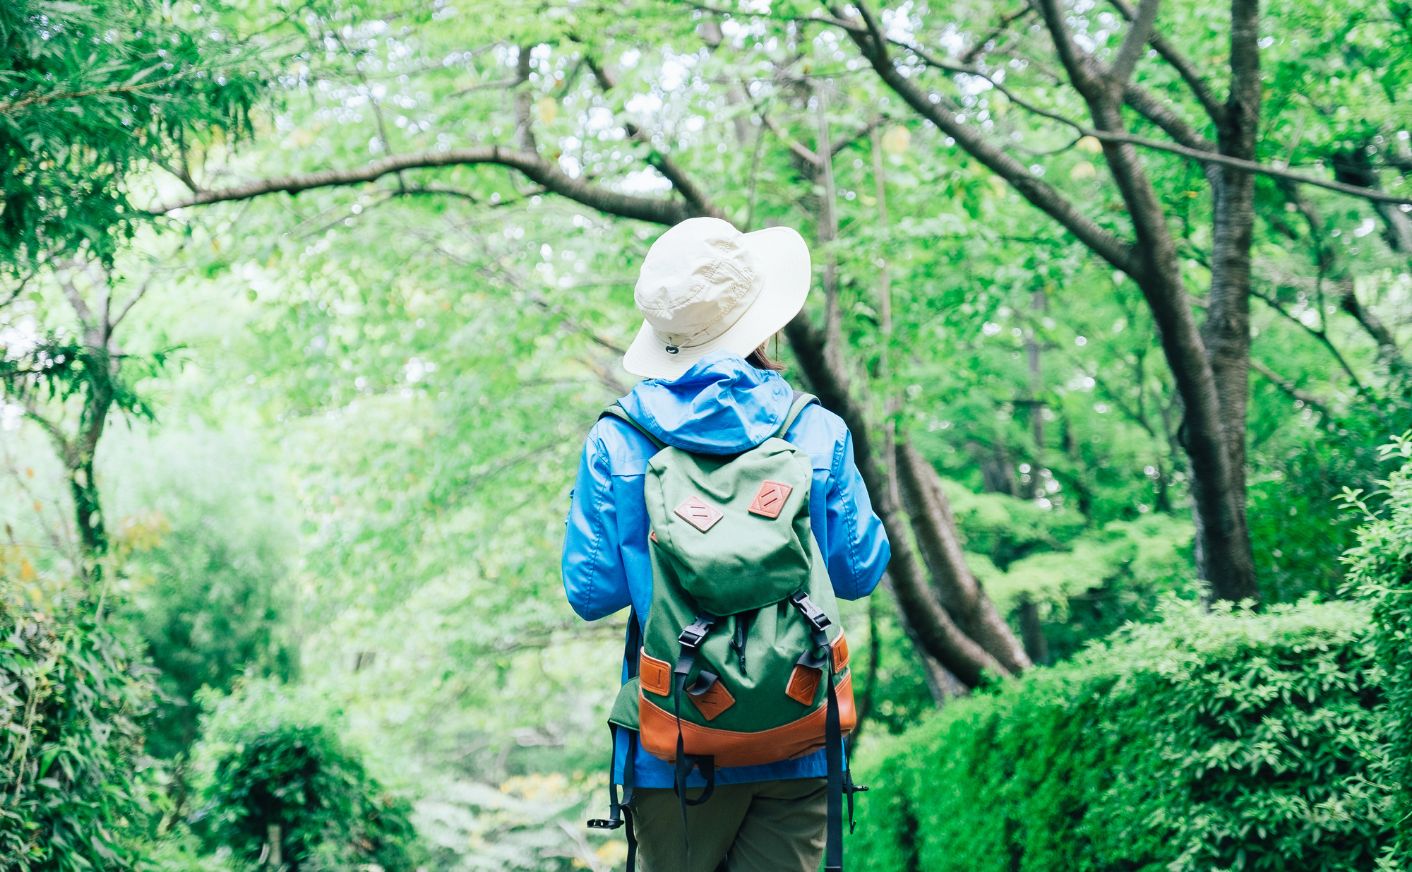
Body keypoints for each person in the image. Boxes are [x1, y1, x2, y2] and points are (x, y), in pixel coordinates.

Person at [561, 216, 890, 872]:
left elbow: (591, 592)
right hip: (798, 728)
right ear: (759, 323)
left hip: (674, 738)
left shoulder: (619, 440)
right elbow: (858, 573)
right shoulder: (815, 429)